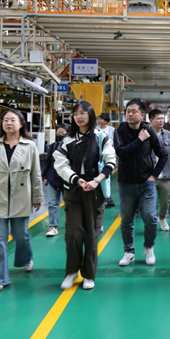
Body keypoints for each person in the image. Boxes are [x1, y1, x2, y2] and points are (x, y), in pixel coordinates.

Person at [0, 109, 44, 293]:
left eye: (13, 120)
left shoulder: (29, 146)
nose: (8, 123)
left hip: (20, 197)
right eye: (5, 120)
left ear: (21, 124)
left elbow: (36, 174)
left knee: (21, 235)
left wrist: (37, 197)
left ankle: (25, 258)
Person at [55, 102, 116, 290]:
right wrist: (76, 179)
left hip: (95, 192)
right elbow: (60, 164)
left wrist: (97, 180)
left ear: (90, 115)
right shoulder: (67, 140)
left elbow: (111, 161)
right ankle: (72, 272)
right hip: (73, 191)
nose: (79, 117)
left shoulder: (101, 137)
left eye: (82, 113)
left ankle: (89, 275)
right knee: (73, 233)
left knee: (91, 234)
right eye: (75, 114)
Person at [115, 99, 168, 267]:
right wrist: (139, 140)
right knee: (126, 220)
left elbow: (163, 154)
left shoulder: (148, 130)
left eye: (134, 111)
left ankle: (149, 247)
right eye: (128, 111)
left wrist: (154, 175)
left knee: (150, 218)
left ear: (142, 115)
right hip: (126, 183)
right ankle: (129, 251)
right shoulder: (120, 131)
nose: (130, 114)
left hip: (146, 183)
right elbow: (121, 153)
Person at [149, 108, 170, 232]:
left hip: (165, 175)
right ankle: (150, 222)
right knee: (148, 202)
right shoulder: (145, 134)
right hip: (149, 176)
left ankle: (162, 217)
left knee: (164, 201)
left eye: (162, 118)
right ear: (151, 120)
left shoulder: (167, 134)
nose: (161, 121)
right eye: (158, 118)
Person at [41, 124, 69, 237]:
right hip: (53, 179)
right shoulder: (52, 147)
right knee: (52, 203)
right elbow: (47, 162)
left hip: (67, 180)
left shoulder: (71, 146)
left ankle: (70, 224)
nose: (60, 135)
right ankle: (53, 226)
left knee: (69, 204)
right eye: (58, 133)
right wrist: (45, 177)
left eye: (63, 133)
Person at [96, 113, 116, 208]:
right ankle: (105, 199)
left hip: (108, 156)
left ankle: (108, 198)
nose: (99, 120)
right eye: (99, 119)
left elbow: (115, 142)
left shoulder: (112, 130)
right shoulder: (95, 129)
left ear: (106, 121)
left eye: (101, 119)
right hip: (98, 156)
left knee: (107, 176)